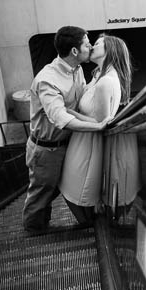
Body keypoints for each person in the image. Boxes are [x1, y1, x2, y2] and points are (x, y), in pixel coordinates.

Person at [23, 26, 108, 235]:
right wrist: (96, 126)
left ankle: (78, 222)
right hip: (46, 149)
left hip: (66, 144)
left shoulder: (76, 69)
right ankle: (35, 230)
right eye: (87, 44)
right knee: (43, 192)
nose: (90, 46)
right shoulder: (47, 80)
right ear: (74, 51)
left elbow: (77, 103)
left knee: (62, 186)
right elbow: (62, 117)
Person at [60, 33, 134, 223]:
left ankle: (89, 226)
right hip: (82, 139)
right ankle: (89, 225)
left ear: (109, 50)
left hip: (88, 143)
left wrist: (69, 113)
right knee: (73, 189)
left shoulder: (105, 82)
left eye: (98, 44)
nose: (92, 46)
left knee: (77, 190)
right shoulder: (98, 75)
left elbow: (100, 123)